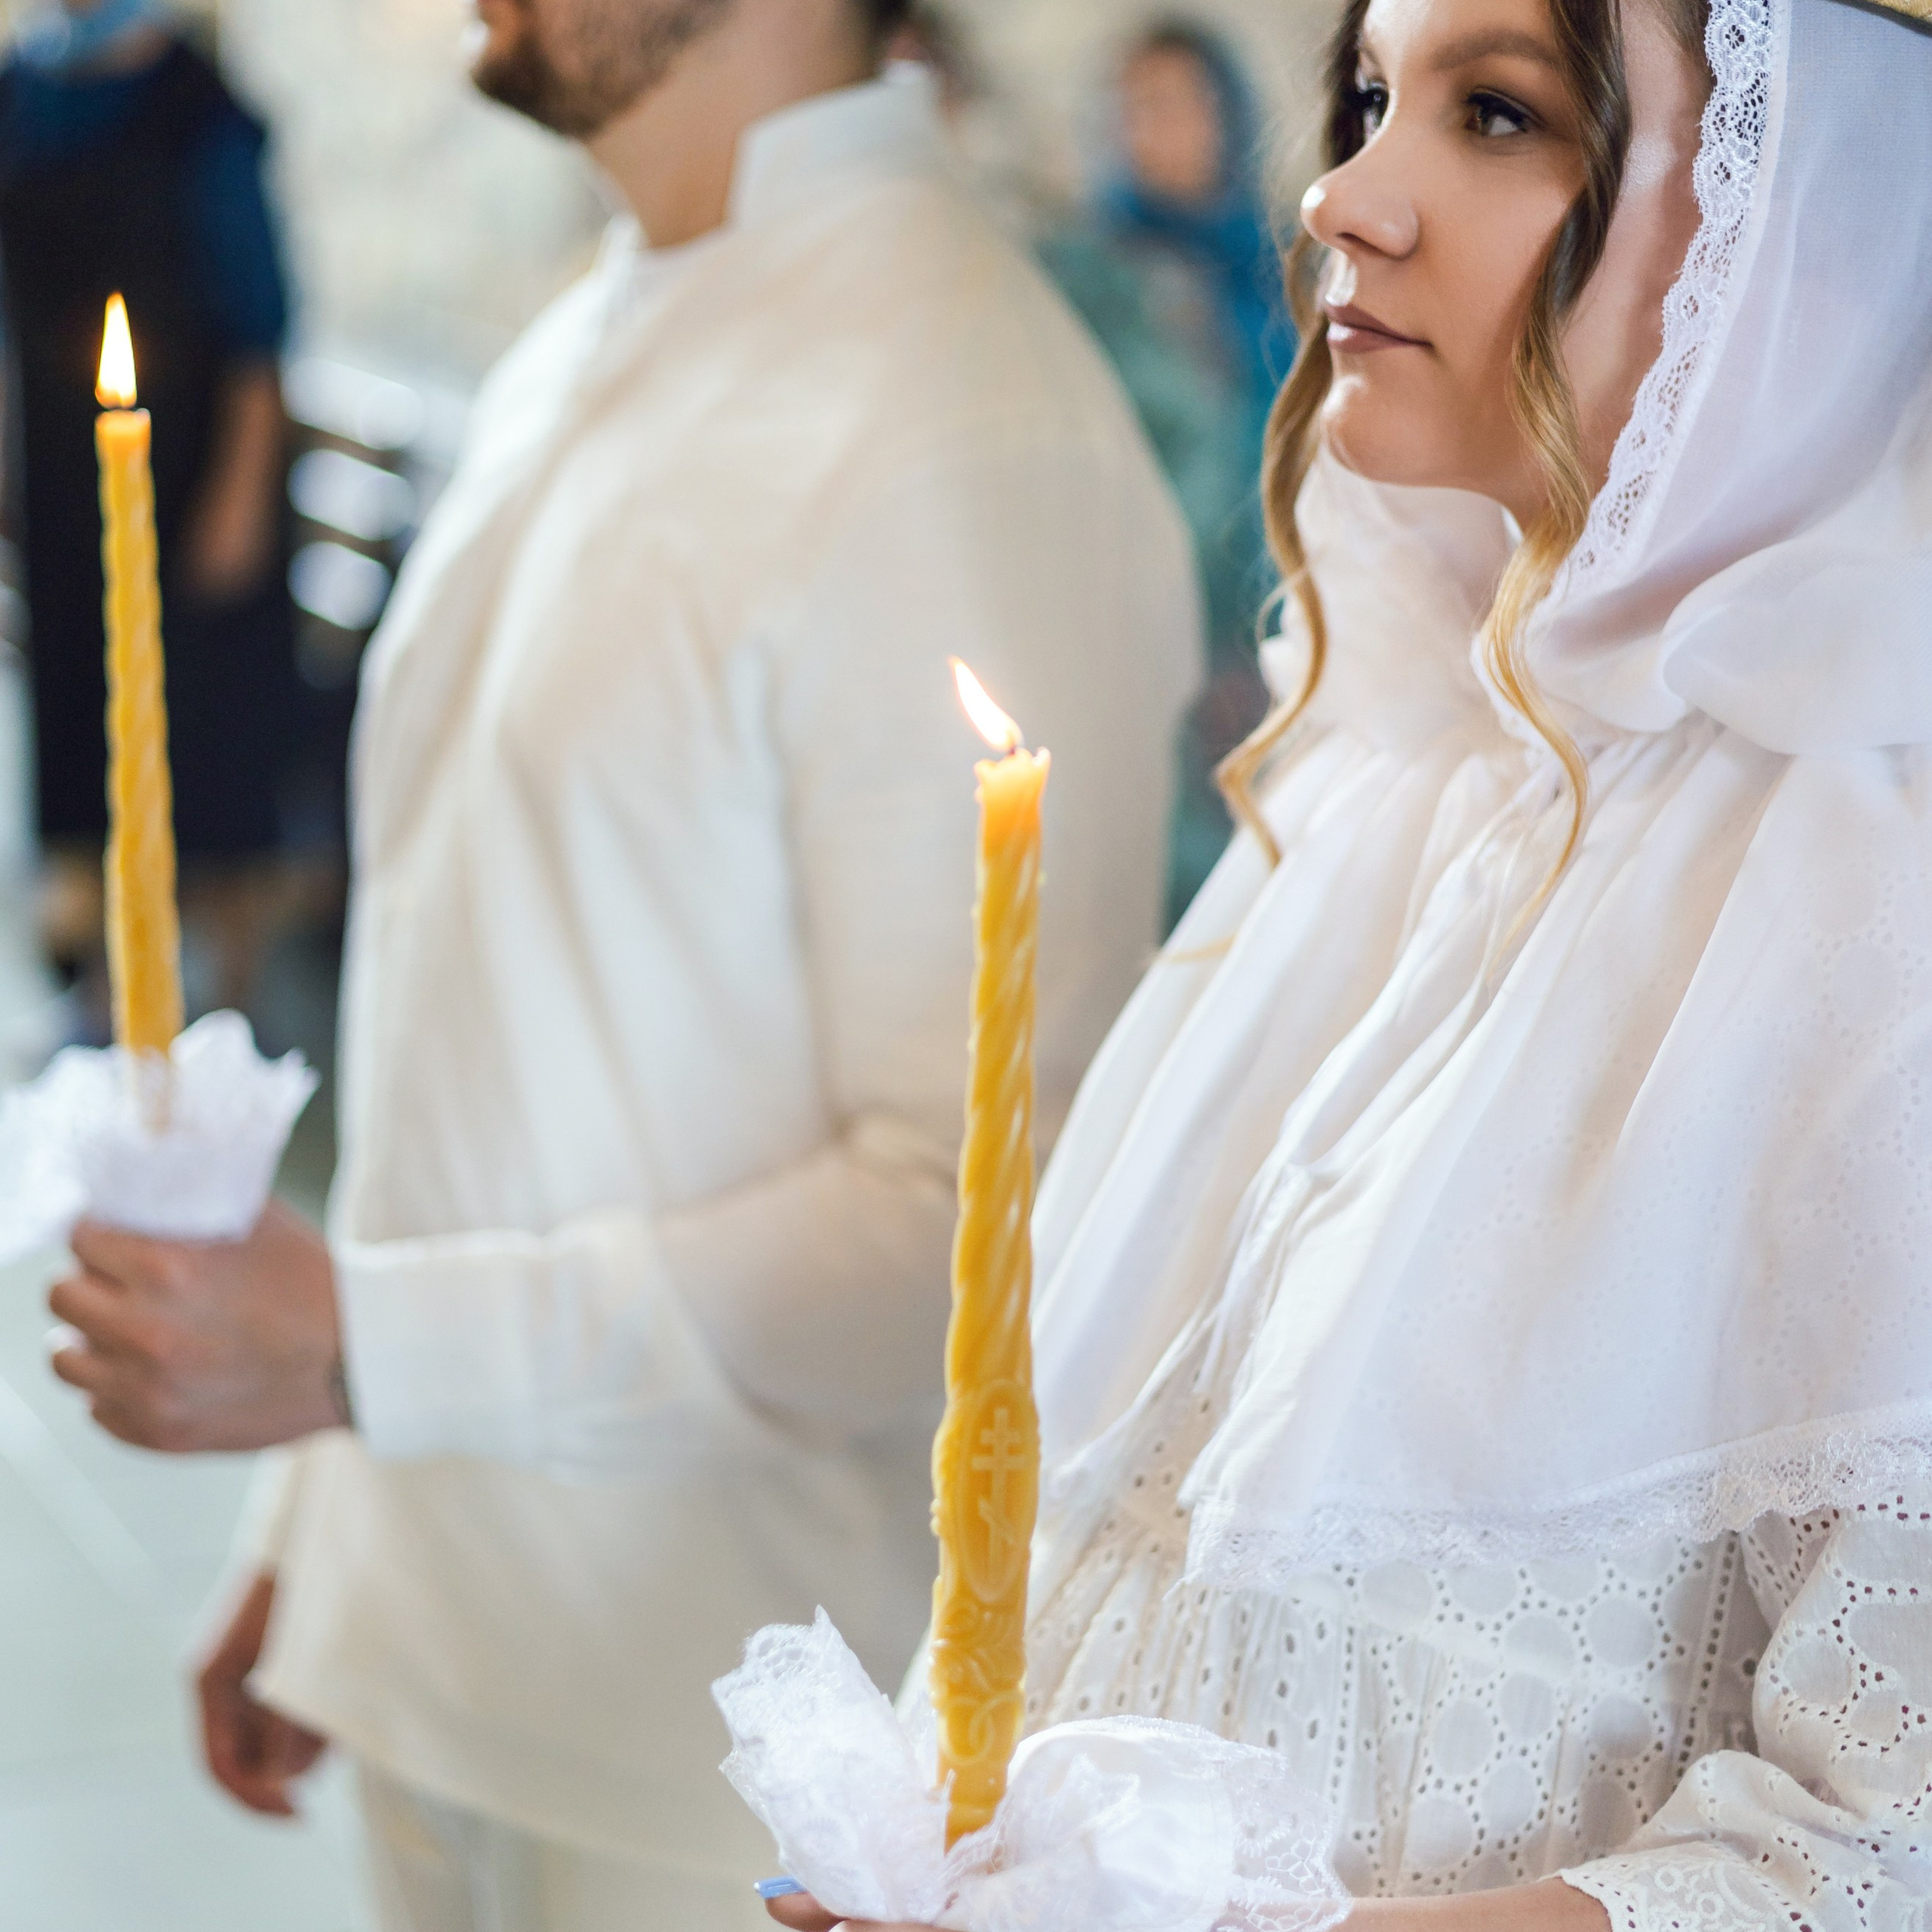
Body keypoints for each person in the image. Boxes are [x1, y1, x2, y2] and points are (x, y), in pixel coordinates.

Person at [770, 0, 1932, 1924]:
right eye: (1373, 98)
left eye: (1496, 115)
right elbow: (1089, 1554)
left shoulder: (1869, 918)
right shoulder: (1378, 789)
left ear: (1785, 245)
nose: (1340, 193)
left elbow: (1878, 1841)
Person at [40, 0, 1199, 1926]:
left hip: (716, 1764)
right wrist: (327, 1515)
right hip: (445, 1645)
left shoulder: (956, 409)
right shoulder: (610, 312)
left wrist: (360, 1346)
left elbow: (977, 1225)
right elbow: (485, 1011)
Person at [0, 0, 297, 1032]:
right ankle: (103, 991)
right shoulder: (24, 91)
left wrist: (239, 500)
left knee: (200, 747)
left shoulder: (196, 107)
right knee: (86, 728)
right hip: (58, 476)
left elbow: (263, 325)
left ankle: (219, 1011)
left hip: (193, 471)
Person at [1043, 20, 1294, 926]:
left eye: (1187, 102)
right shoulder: (1081, 279)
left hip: (1289, 624)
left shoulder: (1277, 263)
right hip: (1140, 637)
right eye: (1140, 106)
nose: (1165, 127)